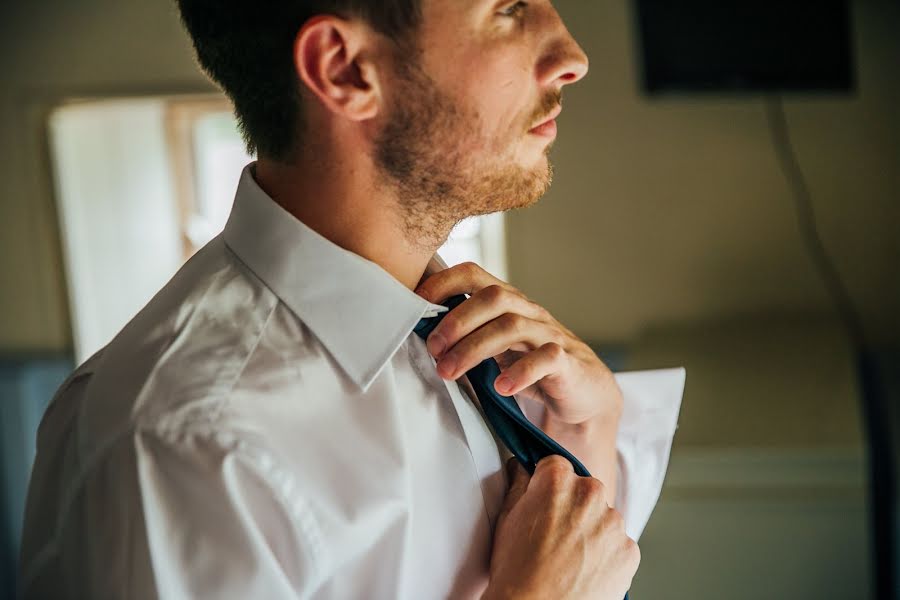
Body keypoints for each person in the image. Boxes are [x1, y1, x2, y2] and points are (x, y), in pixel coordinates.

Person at [19, 1, 683, 598]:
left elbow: (576, 561)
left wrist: (585, 436)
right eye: (509, 8)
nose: (573, 56)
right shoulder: (184, 449)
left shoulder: (473, 342)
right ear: (344, 69)